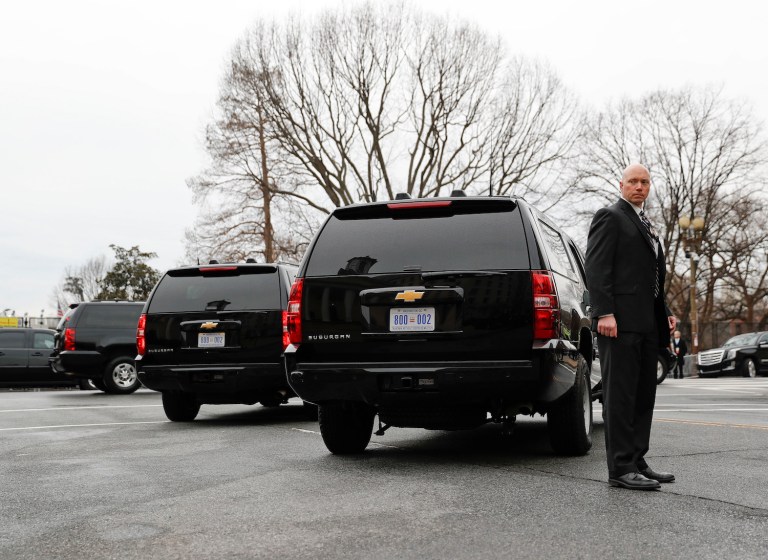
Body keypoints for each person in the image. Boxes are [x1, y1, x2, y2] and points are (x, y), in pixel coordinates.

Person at [585, 163, 677, 491]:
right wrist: (604, 313)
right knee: (620, 396)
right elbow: (597, 269)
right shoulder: (610, 217)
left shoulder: (648, 225)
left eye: (645, 182)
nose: (639, 186)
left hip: (647, 323)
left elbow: (650, 277)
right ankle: (620, 468)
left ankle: (637, 460)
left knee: (642, 396)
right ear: (621, 184)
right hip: (619, 324)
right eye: (633, 181)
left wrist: (663, 311)